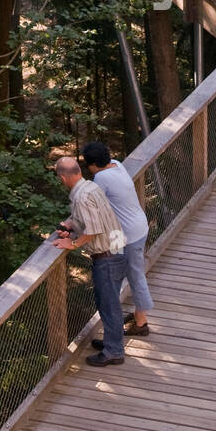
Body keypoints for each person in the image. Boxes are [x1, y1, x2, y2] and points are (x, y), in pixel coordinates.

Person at [52, 156, 127, 368]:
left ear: (64, 178)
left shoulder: (82, 197)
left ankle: (114, 351)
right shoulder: (90, 188)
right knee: (107, 302)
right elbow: (88, 220)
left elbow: (94, 230)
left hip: (107, 256)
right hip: (116, 249)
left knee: (109, 304)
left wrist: (72, 245)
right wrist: (70, 225)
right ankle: (111, 342)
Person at [82, 141, 153, 340]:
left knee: (134, 275)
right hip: (132, 228)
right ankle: (135, 315)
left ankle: (141, 322)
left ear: (93, 165)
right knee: (118, 272)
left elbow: (89, 208)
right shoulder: (117, 164)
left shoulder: (101, 178)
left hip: (128, 235)